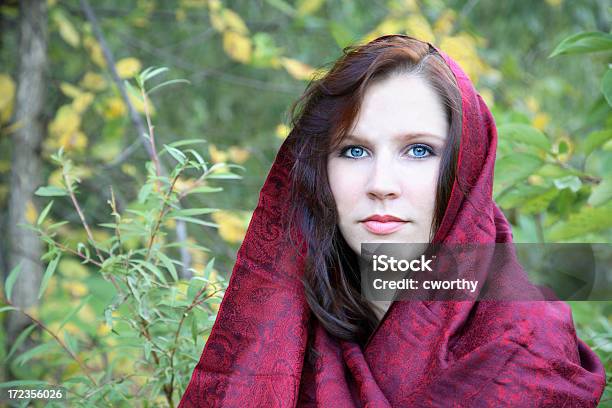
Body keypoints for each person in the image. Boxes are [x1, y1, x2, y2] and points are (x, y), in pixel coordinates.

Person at [179, 35, 606, 407]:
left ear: (468, 169)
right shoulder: (285, 325)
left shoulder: (526, 352)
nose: (381, 184)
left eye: (419, 150)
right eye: (353, 150)